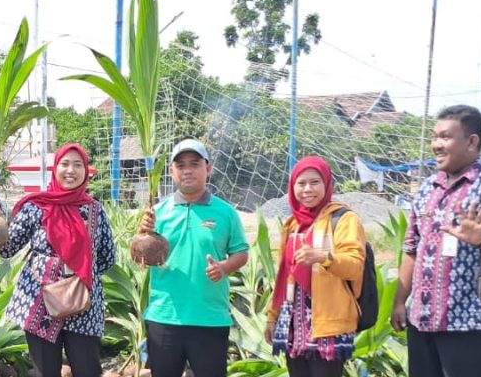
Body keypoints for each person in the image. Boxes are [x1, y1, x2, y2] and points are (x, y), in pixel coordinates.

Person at [391, 105, 481, 377]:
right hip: (422, 319)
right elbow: (412, 250)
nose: (436, 145)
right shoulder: (428, 187)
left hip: (472, 321)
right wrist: (399, 302)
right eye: (434, 137)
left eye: (445, 137)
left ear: (471, 141)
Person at [0, 143, 115, 377]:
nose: (71, 170)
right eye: (65, 164)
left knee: (88, 370)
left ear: (85, 171)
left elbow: (107, 256)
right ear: (55, 168)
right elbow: (7, 249)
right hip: (39, 302)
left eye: (78, 165)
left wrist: (78, 273)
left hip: (83, 305)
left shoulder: (95, 211)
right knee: (45, 371)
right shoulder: (35, 207)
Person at [138, 139, 249, 377]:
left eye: (195, 164)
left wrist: (224, 267)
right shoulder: (157, 213)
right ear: (172, 171)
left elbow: (241, 253)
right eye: (181, 165)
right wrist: (142, 235)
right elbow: (142, 258)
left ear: (208, 168)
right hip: (164, 316)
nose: (187, 170)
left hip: (210, 318)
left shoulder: (226, 213)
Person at [265, 156, 365, 377]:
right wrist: (273, 317)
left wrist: (323, 257)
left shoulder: (344, 219)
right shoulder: (293, 224)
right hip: (293, 324)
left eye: (315, 182)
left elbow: (355, 266)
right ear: (292, 188)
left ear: (327, 184)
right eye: (301, 183)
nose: (307, 189)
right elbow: (284, 274)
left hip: (328, 324)